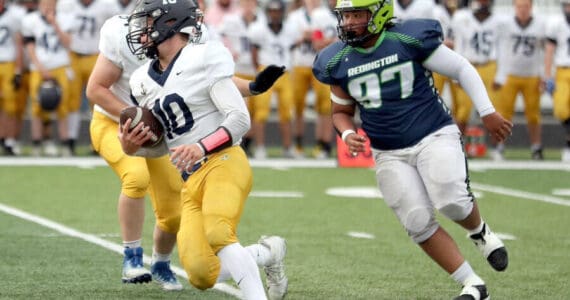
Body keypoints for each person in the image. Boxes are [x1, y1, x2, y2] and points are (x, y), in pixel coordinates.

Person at [312, 0, 511, 299]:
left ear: (379, 13)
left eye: (356, 15)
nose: (349, 23)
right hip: (387, 150)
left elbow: (460, 67)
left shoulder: (407, 38)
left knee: (452, 199)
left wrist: (486, 111)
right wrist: (348, 132)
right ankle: (473, 284)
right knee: (417, 221)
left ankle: (479, 231)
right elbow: (340, 111)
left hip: (433, 133)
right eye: (346, 16)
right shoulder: (337, 59)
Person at [87, 7, 287, 295]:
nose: (140, 34)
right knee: (201, 274)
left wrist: (201, 145)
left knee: (219, 232)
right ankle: (266, 252)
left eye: (148, 25)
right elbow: (160, 148)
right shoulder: (141, 79)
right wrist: (132, 148)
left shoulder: (206, 56)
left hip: (223, 161)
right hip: (190, 178)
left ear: (170, 24)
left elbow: (240, 120)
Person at [493, 0, 545, 160]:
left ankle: (536, 147)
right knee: (504, 114)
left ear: (531, 7)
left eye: (526, 6)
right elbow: (499, 49)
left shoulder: (540, 25)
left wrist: (542, 75)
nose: (523, 10)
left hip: (532, 75)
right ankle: (500, 147)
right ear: (514, 7)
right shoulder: (505, 24)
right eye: (520, 6)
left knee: (533, 115)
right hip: (510, 74)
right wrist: (499, 74)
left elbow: (544, 52)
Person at [22, 0, 73, 157]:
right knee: (37, 107)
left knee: (63, 106)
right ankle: (37, 143)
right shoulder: (30, 20)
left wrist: (55, 24)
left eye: (51, 5)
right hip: (39, 67)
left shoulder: (65, 18)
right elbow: (29, 47)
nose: (48, 8)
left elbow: (68, 43)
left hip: (60, 65)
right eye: (45, 5)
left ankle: (65, 144)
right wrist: (40, 67)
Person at [248, 0, 298, 159]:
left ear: (282, 12)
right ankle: (260, 147)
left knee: (287, 112)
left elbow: (292, 48)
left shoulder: (290, 29)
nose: (275, 14)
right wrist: (260, 70)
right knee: (261, 112)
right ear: (268, 13)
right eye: (272, 11)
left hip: (284, 72)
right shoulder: (259, 29)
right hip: (266, 70)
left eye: (277, 11)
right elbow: (254, 51)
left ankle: (288, 147)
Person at [449, 0, 502, 140]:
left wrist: (501, 75)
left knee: (493, 108)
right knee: (463, 110)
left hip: (489, 65)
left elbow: (502, 48)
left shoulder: (499, 20)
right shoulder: (462, 17)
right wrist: (456, 74)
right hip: (468, 65)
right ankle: (459, 143)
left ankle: (497, 147)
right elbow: (459, 46)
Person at [544, 0, 570, 162]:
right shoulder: (556, 24)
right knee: (561, 110)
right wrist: (548, 75)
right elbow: (549, 51)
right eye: (567, 5)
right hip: (562, 70)